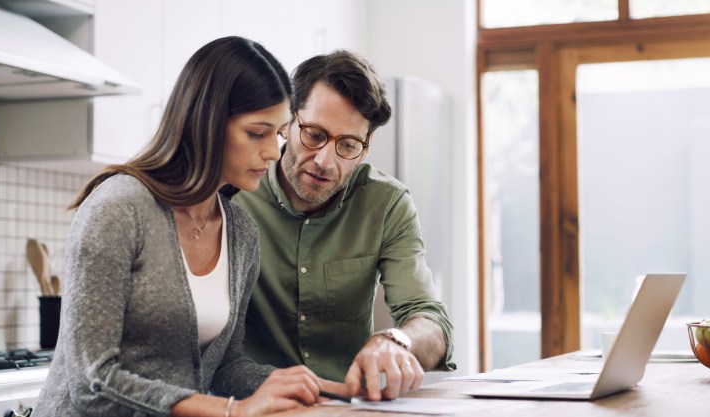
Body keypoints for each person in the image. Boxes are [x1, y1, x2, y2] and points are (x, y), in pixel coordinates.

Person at [33, 36, 327, 417]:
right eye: (257, 133)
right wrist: (233, 412)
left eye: (278, 134)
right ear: (206, 123)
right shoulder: (119, 210)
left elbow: (224, 368)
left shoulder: (240, 232)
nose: (273, 152)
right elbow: (92, 381)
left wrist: (322, 389)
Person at [232, 50, 456, 402]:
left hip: (346, 405)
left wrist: (396, 341)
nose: (325, 161)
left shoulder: (387, 204)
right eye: (314, 135)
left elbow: (430, 320)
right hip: (251, 403)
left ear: (366, 149)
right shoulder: (234, 193)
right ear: (286, 122)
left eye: (348, 145)